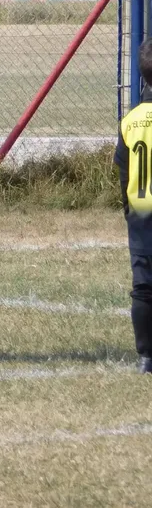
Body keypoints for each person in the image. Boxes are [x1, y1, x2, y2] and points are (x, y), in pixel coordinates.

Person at [115, 39, 152, 375]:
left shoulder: (133, 119)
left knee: (143, 287)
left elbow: (124, 168)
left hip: (140, 214)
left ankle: (146, 356)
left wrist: (127, 206)